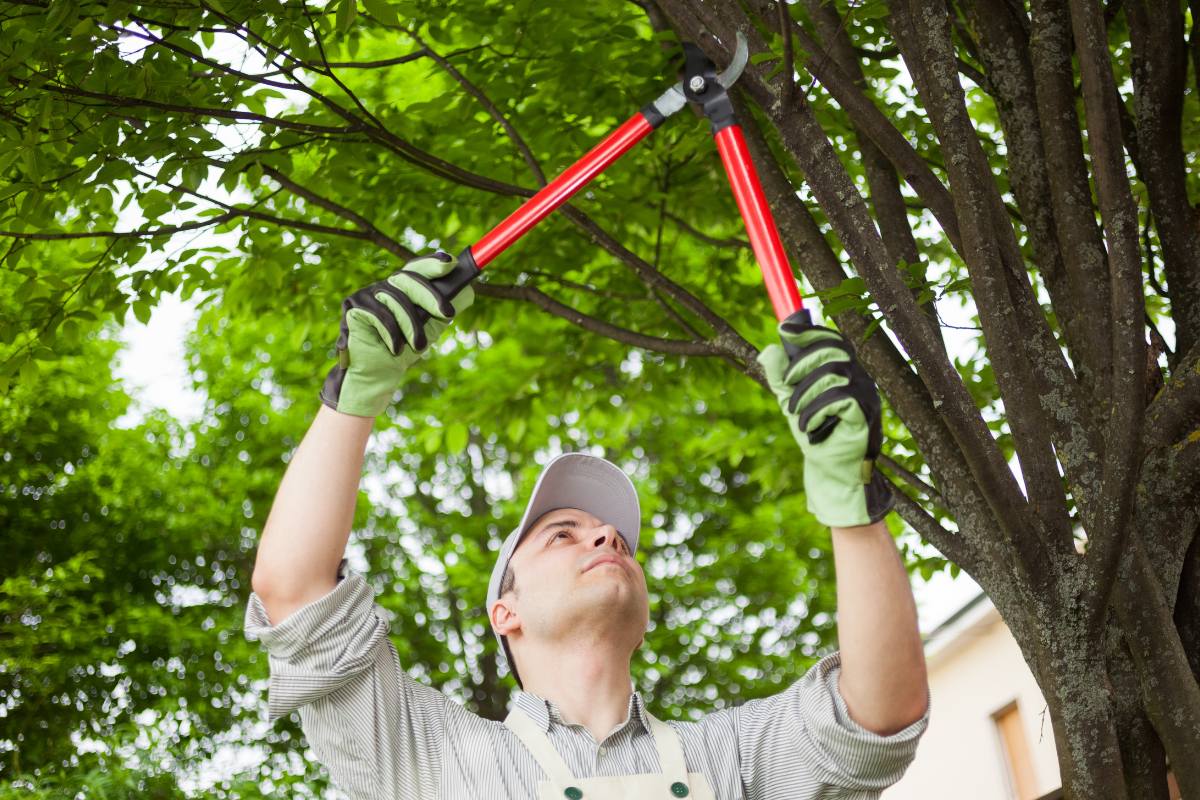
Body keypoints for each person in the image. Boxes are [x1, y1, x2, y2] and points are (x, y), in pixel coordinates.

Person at [244, 254, 930, 799]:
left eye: (618, 541)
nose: (606, 537)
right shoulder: (432, 759)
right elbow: (295, 593)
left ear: (645, 618)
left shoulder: (731, 758)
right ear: (504, 611)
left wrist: (852, 502)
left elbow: (879, 716)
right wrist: (355, 394)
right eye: (563, 533)